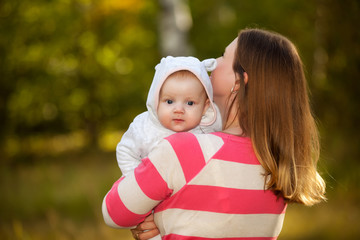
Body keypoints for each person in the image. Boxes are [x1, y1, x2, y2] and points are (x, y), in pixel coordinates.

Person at [102, 28, 326, 240]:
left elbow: (114, 212)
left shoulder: (183, 149)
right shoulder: (278, 168)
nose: (212, 63)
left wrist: (155, 215)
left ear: (238, 82)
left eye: (222, 56)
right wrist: (163, 218)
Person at [116, 56, 221, 177]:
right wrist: (134, 179)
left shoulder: (207, 128)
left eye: (190, 103)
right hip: (149, 188)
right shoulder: (144, 126)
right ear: (156, 100)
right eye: (169, 101)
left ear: (205, 107)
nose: (179, 110)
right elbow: (126, 151)